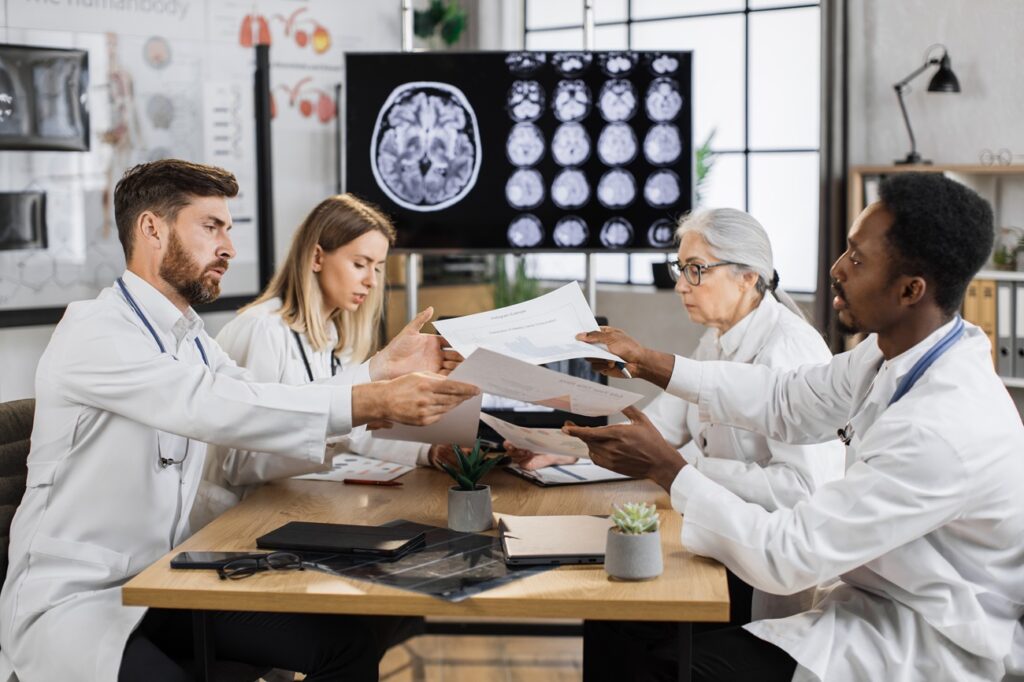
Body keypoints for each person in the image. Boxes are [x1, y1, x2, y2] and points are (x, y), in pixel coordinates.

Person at [0, 159, 480, 682]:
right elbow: (213, 406)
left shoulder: (190, 337)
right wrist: (375, 402)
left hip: (162, 584)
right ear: (151, 228)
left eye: (228, 229)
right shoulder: (94, 332)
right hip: (79, 602)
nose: (228, 247)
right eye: (211, 227)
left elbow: (261, 396)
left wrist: (378, 370)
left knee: (346, 644)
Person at [568, 173, 1024, 681]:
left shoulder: (942, 429)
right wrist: (647, 361)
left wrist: (672, 469)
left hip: (924, 638)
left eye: (856, 259)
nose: (836, 270)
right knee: (626, 629)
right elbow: (788, 398)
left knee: (671, 668)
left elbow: (788, 554)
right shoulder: (888, 352)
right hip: (862, 597)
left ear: (910, 290)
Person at [508, 208, 845, 623]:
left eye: (697, 270)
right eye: (680, 269)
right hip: (723, 539)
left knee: (626, 617)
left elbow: (801, 491)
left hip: (767, 565)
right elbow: (661, 429)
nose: (681, 285)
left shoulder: (789, 350)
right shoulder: (718, 338)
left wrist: (684, 468)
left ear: (748, 276)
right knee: (616, 611)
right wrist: (569, 452)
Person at [193, 194, 460, 529]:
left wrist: (429, 452)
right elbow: (241, 461)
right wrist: (335, 425)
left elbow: (355, 432)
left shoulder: (334, 336)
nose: (372, 281)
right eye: (360, 264)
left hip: (288, 507)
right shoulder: (262, 330)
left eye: (377, 268)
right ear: (317, 257)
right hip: (237, 520)